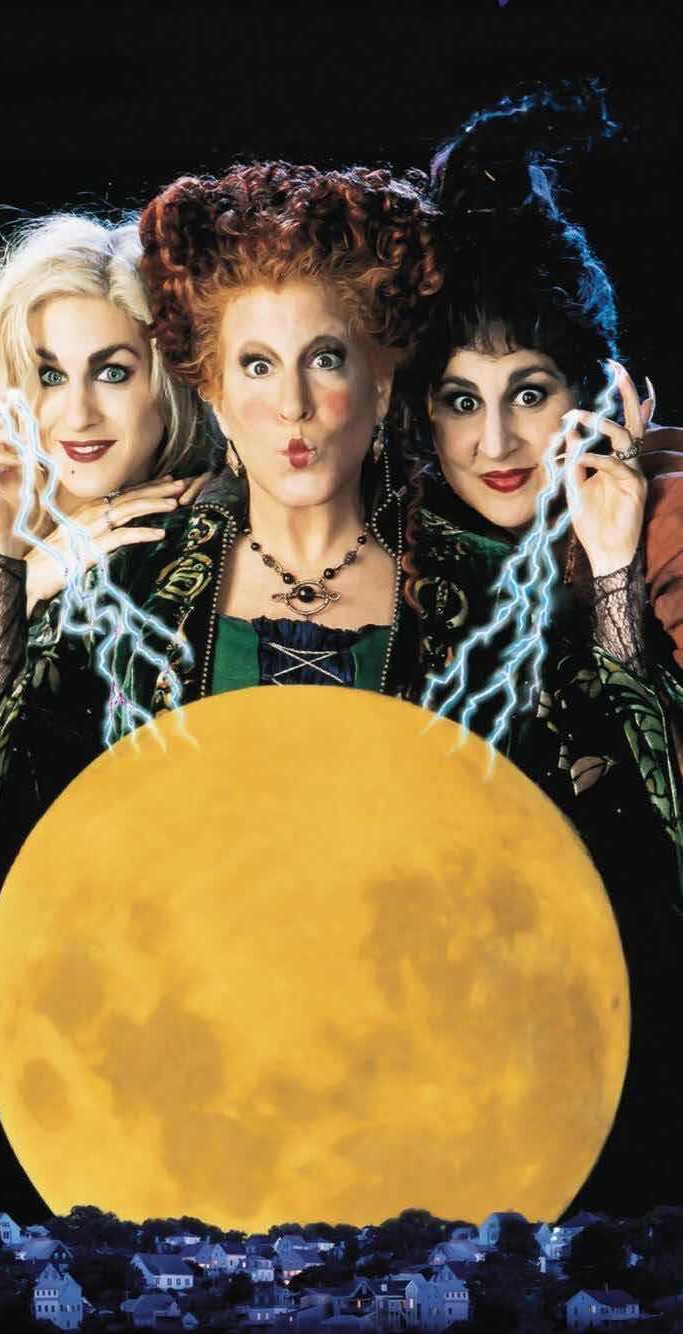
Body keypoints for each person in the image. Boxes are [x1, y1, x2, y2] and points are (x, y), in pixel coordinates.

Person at [0, 161, 683, 1221]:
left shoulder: (487, 594)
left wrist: (612, 580)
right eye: (256, 364)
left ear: (382, 379)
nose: (290, 406)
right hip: (177, 1118)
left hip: (436, 1125)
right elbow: (1, 850)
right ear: (208, 387)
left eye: (324, 359)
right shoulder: (131, 590)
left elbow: (633, 863)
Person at [400, 87, 683, 1214]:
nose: (497, 441)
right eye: (459, 401)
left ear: (593, 393)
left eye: (529, 392)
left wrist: (612, 572)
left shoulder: (664, 520)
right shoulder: (405, 540)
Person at [0, 210, 202, 1224]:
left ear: (166, 378)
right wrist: (20, 567)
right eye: (48, 373)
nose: (78, 411)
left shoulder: (221, 521)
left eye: (112, 371)